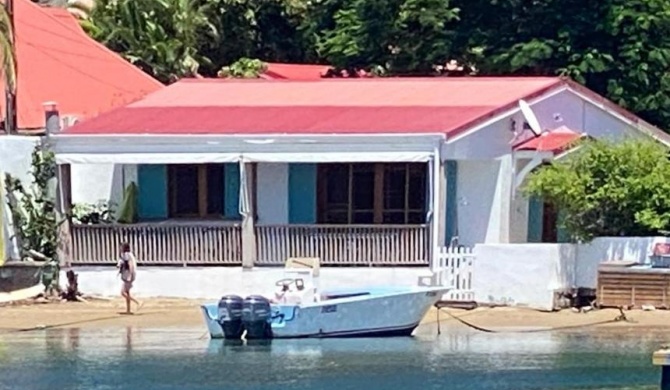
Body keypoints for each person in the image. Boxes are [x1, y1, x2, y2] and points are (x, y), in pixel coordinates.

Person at [117, 243, 142, 314]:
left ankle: (138, 302)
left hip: (128, 275)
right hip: (128, 275)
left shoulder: (126, 255)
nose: (120, 249)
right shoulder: (129, 255)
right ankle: (128, 310)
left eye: (121, 247)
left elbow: (130, 265)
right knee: (127, 293)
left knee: (122, 292)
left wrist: (129, 276)